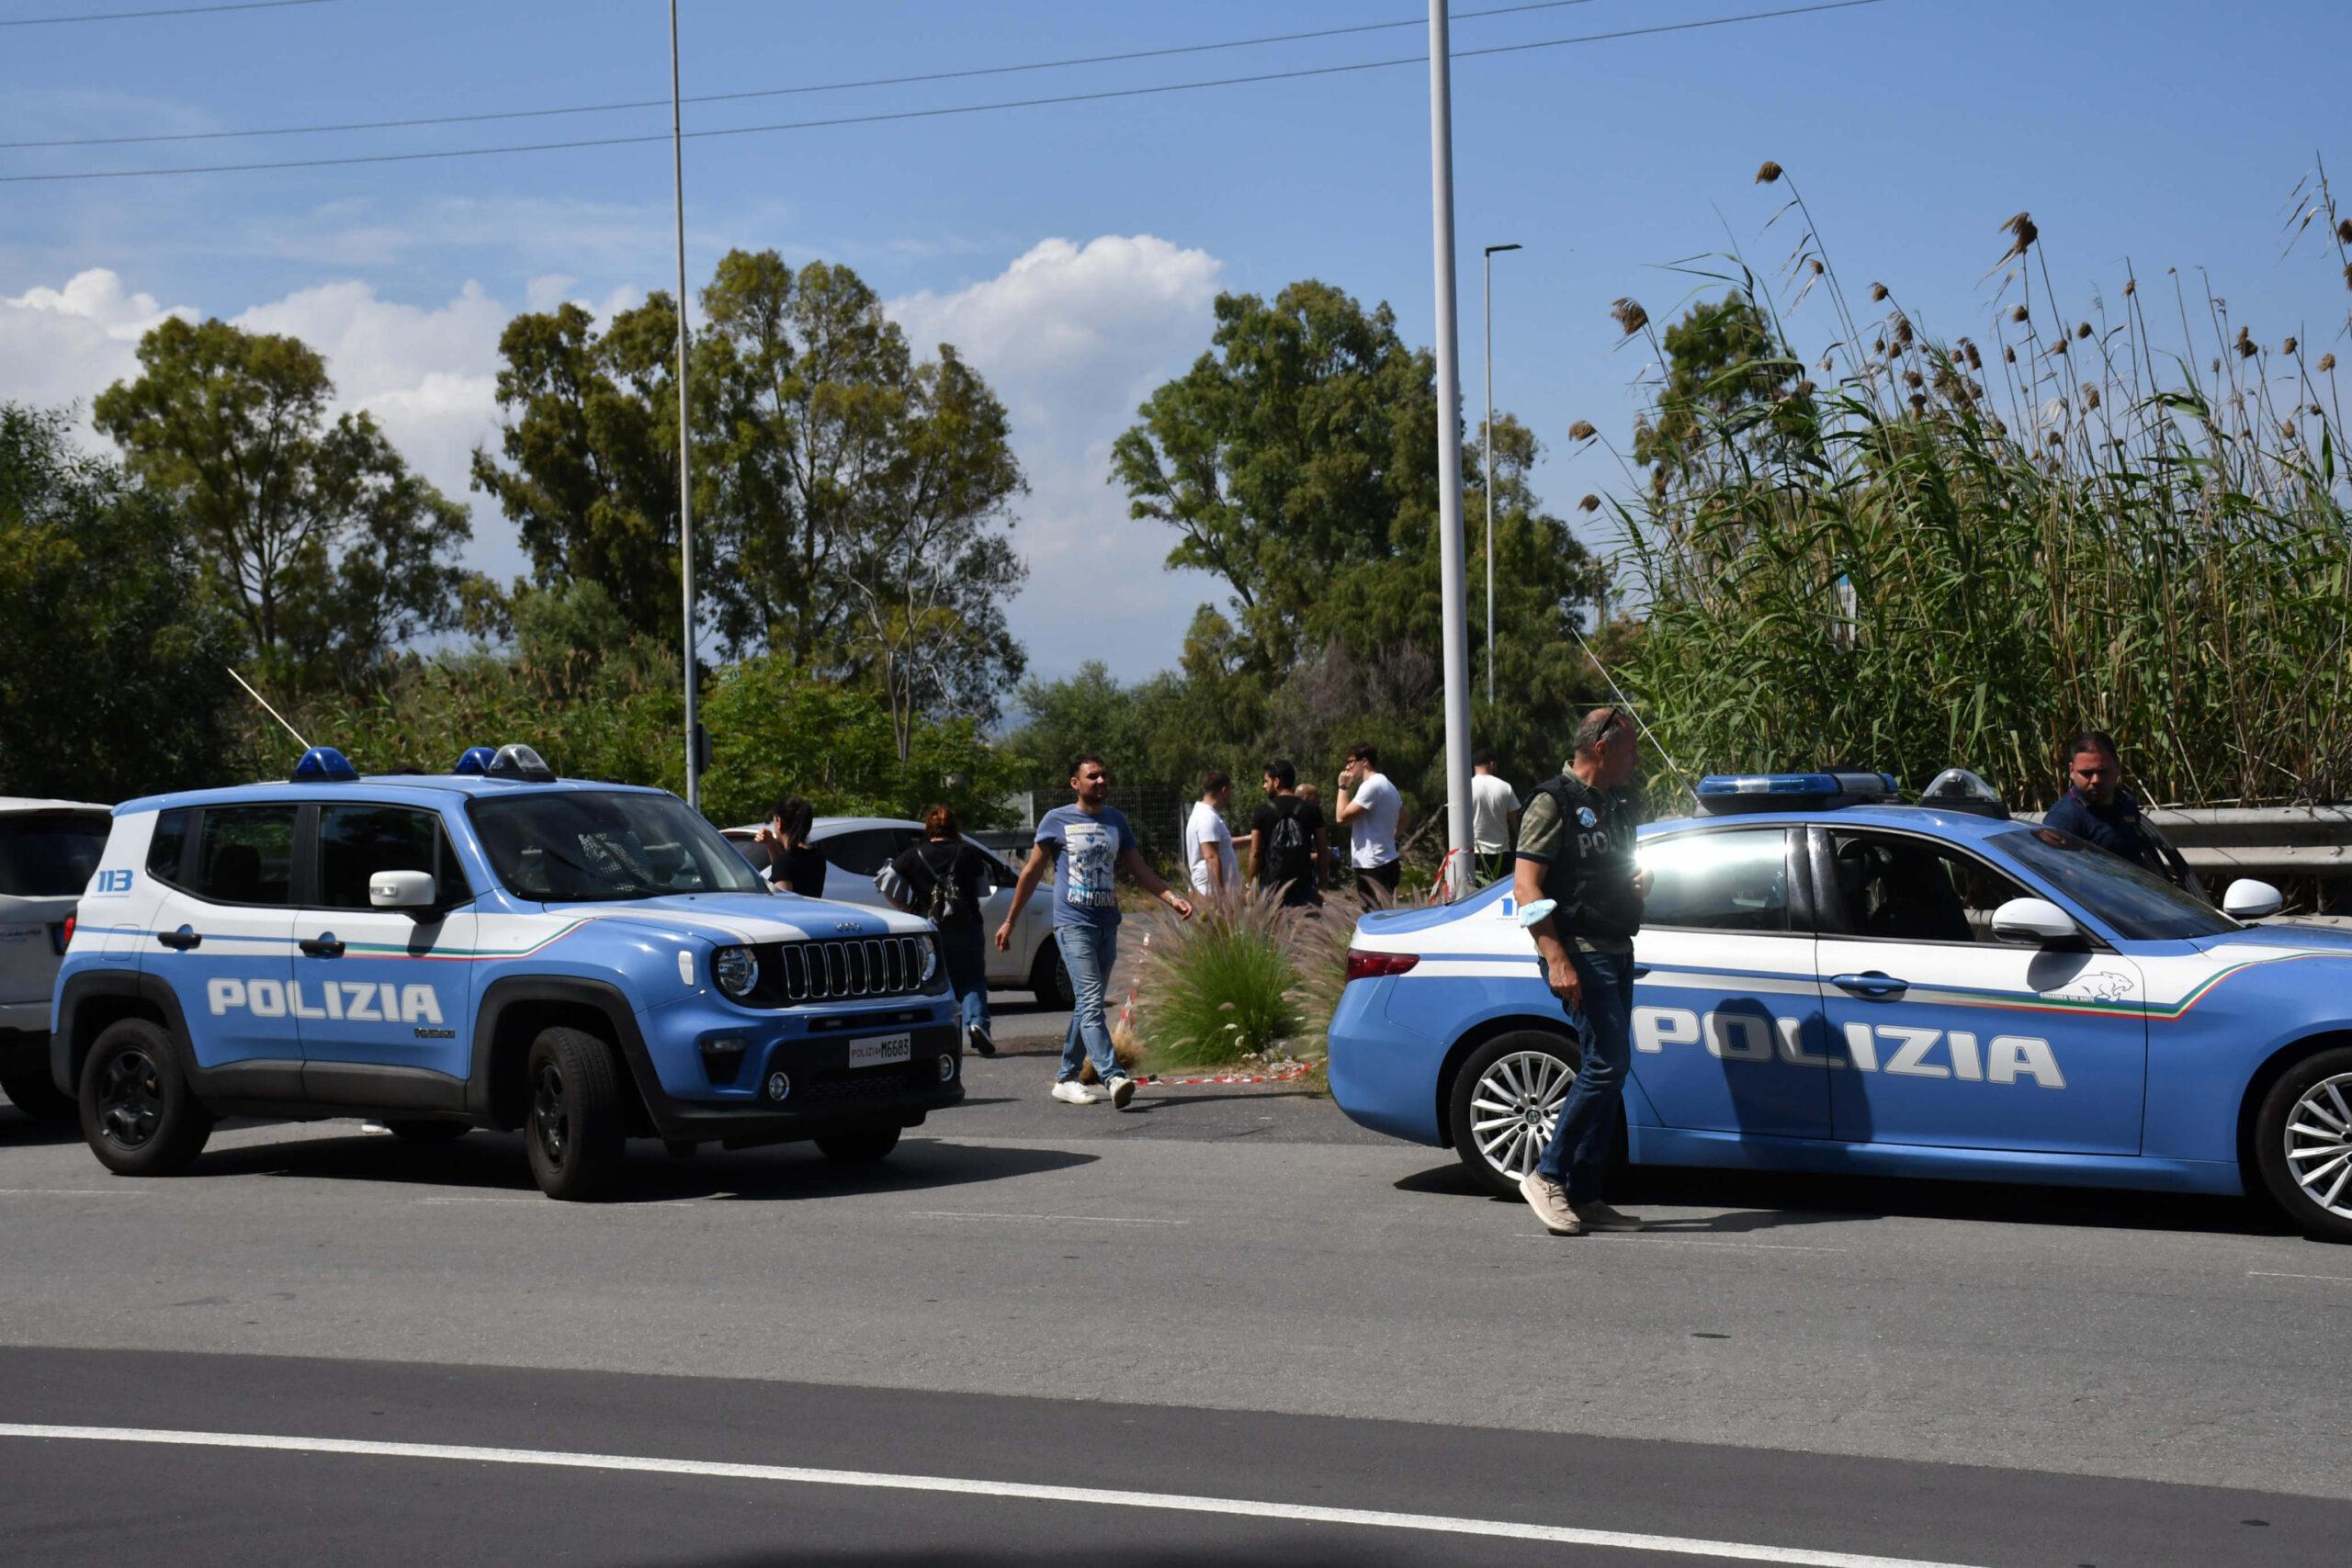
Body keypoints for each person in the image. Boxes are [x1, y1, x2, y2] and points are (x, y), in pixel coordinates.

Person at [1516, 706, 1650, 1238]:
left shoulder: (1615, 804)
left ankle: (1585, 1193)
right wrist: (1555, 956)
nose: (1636, 759)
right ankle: (1548, 1175)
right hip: (1581, 949)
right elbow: (1526, 887)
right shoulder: (1554, 800)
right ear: (1602, 748)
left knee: (1611, 1068)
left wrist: (1635, 884)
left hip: (1617, 946)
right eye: (1631, 749)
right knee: (1607, 1062)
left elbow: (1607, 870)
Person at [997, 754, 1193, 1108]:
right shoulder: (1056, 820)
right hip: (1073, 924)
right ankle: (1112, 1074)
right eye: (1093, 777)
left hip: (1107, 924)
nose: (1101, 782)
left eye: (1104, 776)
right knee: (1090, 1001)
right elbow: (1030, 873)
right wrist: (1011, 919)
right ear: (1076, 783)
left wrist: (1171, 897)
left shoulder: (1117, 820)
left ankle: (1066, 1077)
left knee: (1085, 1006)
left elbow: (1139, 868)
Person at [885, 805, 996, 1057]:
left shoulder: (913, 855)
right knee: (972, 978)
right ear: (953, 826)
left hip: (930, 927)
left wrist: (906, 908)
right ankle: (977, 1023)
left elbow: (886, 883)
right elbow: (983, 891)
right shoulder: (968, 853)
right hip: (967, 924)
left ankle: (947, 1037)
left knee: (939, 983)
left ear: (929, 827)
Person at [2042, 730, 2165, 875]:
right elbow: (2058, 877)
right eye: (2087, 773)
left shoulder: (2126, 803)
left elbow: (2137, 857)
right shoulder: (2063, 819)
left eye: (2102, 772)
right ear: (2072, 770)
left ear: (2117, 766)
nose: (2095, 780)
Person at [1248, 759, 1329, 908]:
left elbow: (1255, 852)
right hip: (1304, 885)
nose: (1263, 786)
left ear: (1276, 781)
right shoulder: (1312, 810)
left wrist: (1251, 887)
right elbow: (1323, 850)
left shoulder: (1262, 811)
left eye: (1266, 781)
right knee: (1306, 929)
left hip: (1271, 887)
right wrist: (1323, 886)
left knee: (1273, 930)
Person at [1333, 742, 1403, 900]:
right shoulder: (1387, 784)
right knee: (1383, 914)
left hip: (1372, 864)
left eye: (1351, 762)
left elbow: (1341, 818)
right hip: (1386, 859)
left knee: (1374, 917)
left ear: (1364, 762)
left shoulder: (1371, 786)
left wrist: (1343, 787)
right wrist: (1390, 838)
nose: (1348, 767)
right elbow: (1404, 815)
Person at [753, 796, 826, 897]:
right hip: (813, 911)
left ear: (779, 822)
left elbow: (785, 902)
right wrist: (771, 844)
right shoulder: (817, 856)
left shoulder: (785, 862)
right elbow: (784, 870)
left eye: (774, 820)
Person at [1470, 750, 1522, 886]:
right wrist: (1519, 839)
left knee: (1476, 895)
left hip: (1475, 851)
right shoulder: (1505, 787)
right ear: (1492, 764)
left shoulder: (1466, 787)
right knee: (1498, 895)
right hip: (1501, 851)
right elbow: (1513, 820)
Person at [1183, 772, 1240, 897]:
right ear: (1224, 790)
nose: (1231, 796)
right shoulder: (1207, 818)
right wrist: (1221, 894)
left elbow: (1222, 845)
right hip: (1210, 893)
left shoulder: (1205, 814)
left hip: (1210, 891)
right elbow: (1211, 857)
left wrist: (1250, 839)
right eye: (1230, 792)